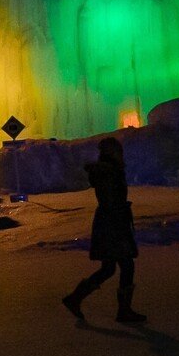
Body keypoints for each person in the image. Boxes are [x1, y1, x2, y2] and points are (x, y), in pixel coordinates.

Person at [61, 137, 144, 323]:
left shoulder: (108, 170)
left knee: (109, 268)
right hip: (113, 223)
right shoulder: (109, 171)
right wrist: (119, 211)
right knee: (126, 265)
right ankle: (123, 311)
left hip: (109, 222)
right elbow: (110, 199)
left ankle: (75, 298)